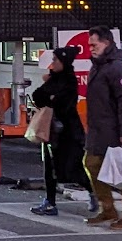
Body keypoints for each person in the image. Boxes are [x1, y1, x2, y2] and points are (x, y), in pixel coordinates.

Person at [83, 25, 122, 230]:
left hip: (115, 130)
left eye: (94, 44)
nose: (90, 48)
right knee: (92, 163)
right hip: (100, 129)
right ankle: (107, 208)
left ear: (106, 43)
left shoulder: (116, 68)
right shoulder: (99, 66)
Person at [29, 46, 91, 216]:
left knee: (72, 169)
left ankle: (93, 192)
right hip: (50, 130)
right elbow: (37, 96)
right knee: (50, 168)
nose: (52, 63)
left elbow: (63, 103)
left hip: (69, 132)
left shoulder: (70, 81)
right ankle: (50, 202)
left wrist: (50, 98)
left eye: (55, 60)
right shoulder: (53, 79)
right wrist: (50, 97)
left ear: (63, 61)